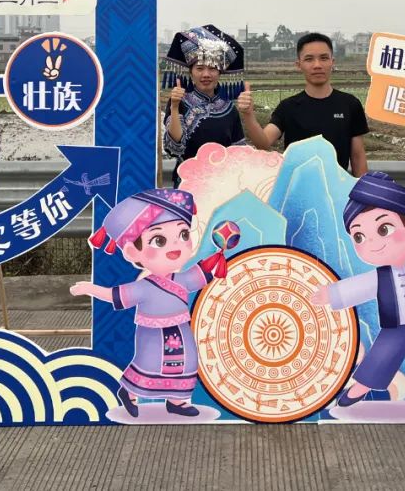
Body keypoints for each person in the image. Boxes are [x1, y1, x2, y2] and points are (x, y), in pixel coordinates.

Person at [309, 171, 405, 413]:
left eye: (383, 229)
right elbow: (359, 286)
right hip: (398, 321)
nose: (372, 243)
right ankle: (361, 386)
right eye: (359, 236)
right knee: (384, 351)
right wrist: (331, 294)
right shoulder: (380, 276)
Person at [71, 188, 227, 418]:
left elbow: (202, 275)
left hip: (180, 330)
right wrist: (89, 289)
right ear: (132, 252)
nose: (175, 246)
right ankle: (130, 393)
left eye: (184, 235)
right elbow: (114, 295)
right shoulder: (143, 286)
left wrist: (220, 252)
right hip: (152, 332)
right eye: (159, 240)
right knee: (148, 362)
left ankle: (177, 401)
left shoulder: (181, 279)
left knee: (187, 361)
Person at [237, 32, 369, 175]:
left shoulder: (350, 104)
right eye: (309, 59)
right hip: (296, 187)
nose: (317, 65)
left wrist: (364, 188)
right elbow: (263, 143)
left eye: (324, 58)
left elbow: (357, 156)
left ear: (332, 62)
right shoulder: (288, 107)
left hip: (337, 187)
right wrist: (248, 115)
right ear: (299, 65)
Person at [161, 25, 246, 186]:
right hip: (188, 183)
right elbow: (174, 148)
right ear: (191, 72)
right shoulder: (180, 102)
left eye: (212, 68)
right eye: (199, 68)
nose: (206, 74)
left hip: (223, 184)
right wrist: (174, 107)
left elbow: (238, 150)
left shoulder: (229, 108)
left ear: (220, 72)